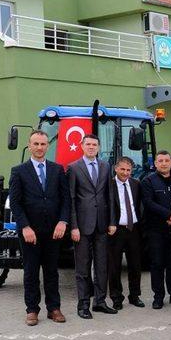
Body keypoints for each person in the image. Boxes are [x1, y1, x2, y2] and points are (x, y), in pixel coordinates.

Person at [8, 130, 70, 326]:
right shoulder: (18, 171)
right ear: (29, 145)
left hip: (53, 231)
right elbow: (16, 203)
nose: (39, 148)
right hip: (30, 232)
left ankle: (54, 308)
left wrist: (63, 221)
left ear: (48, 146)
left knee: (52, 271)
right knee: (31, 271)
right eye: (36, 144)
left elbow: (65, 199)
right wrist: (25, 226)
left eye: (43, 144)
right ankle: (32, 310)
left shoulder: (57, 169)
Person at [68, 134, 117, 319]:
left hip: (102, 224)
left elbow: (110, 196)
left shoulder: (106, 167)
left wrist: (112, 221)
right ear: (81, 146)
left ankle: (100, 301)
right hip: (81, 226)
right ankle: (83, 305)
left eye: (94, 145)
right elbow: (71, 199)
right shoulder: (73, 168)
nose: (91, 147)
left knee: (102, 266)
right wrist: (73, 226)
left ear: (98, 147)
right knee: (83, 267)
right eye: (87, 144)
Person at [141, 150, 171, 309]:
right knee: (157, 263)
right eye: (160, 161)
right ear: (155, 164)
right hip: (156, 230)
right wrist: (169, 215)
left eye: (167, 160)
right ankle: (158, 297)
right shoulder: (148, 182)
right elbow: (148, 203)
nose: (164, 163)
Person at [108, 156, 144, 310]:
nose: (125, 172)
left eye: (128, 170)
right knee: (114, 266)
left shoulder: (136, 184)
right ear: (116, 169)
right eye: (122, 169)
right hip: (116, 230)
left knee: (135, 265)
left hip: (133, 228)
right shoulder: (108, 185)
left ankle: (135, 296)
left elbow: (139, 205)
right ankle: (117, 297)